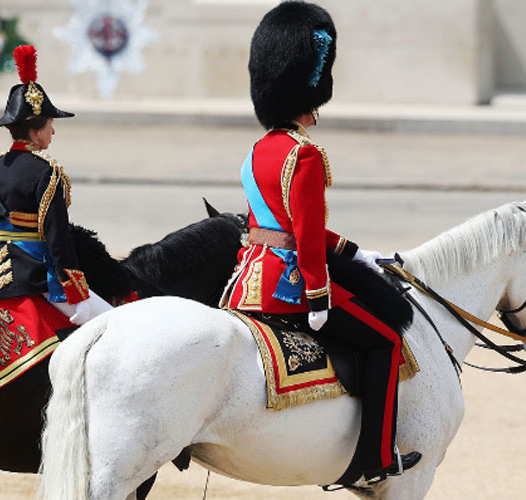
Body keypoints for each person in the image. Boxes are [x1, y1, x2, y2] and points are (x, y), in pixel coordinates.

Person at [223, 1, 421, 483]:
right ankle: (373, 458)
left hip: (249, 278)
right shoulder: (304, 155)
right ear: (309, 97)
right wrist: (317, 295)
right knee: (387, 340)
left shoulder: (258, 151)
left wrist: (356, 252)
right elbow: (306, 237)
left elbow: (276, 225)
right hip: (290, 285)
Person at [0, 44, 111, 325]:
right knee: (114, 322)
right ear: (35, 131)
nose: (53, 131)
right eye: (49, 124)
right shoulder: (47, 171)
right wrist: (76, 292)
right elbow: (58, 238)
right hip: (36, 277)